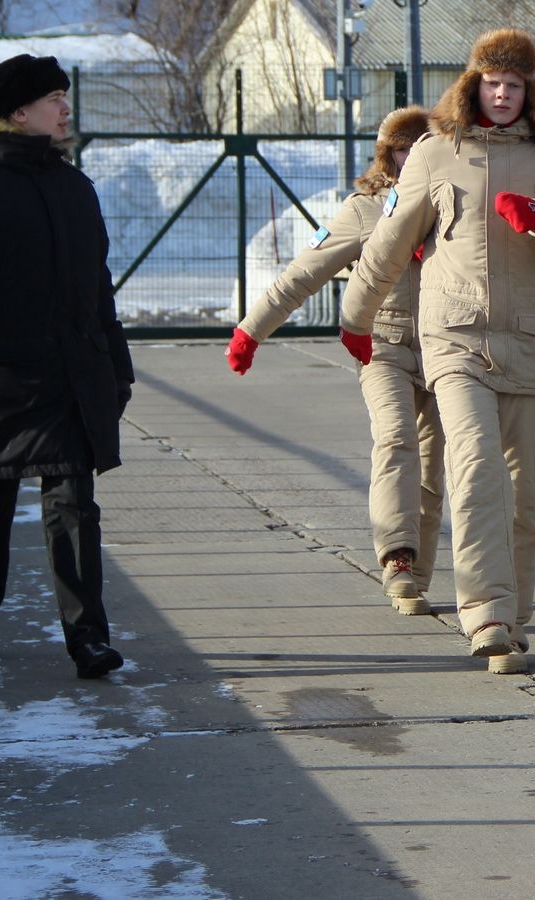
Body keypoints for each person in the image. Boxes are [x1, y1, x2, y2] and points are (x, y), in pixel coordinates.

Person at [349, 29, 535, 674]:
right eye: (492, 82)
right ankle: (486, 612)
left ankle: (512, 618)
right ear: (474, 85)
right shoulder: (435, 152)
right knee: (474, 468)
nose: (502, 94)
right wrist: (357, 315)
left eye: (514, 84)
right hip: (454, 338)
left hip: (528, 340)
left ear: (529, 91)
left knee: (522, 490)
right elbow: (389, 240)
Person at [0, 54, 134, 679]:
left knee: (75, 509)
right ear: (18, 113)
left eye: (64, 96)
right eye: (53, 99)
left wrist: (117, 367)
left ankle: (89, 639)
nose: (66, 108)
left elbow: (97, 290)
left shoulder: (74, 187)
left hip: (71, 380)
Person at [225, 107, 446, 616]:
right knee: (395, 439)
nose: (411, 157)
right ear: (387, 155)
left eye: (421, 147)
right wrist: (250, 331)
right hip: (382, 346)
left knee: (435, 466)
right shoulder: (366, 209)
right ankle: (397, 557)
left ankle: (416, 576)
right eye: (401, 149)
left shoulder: (453, 202)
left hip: (444, 349)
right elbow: (305, 272)